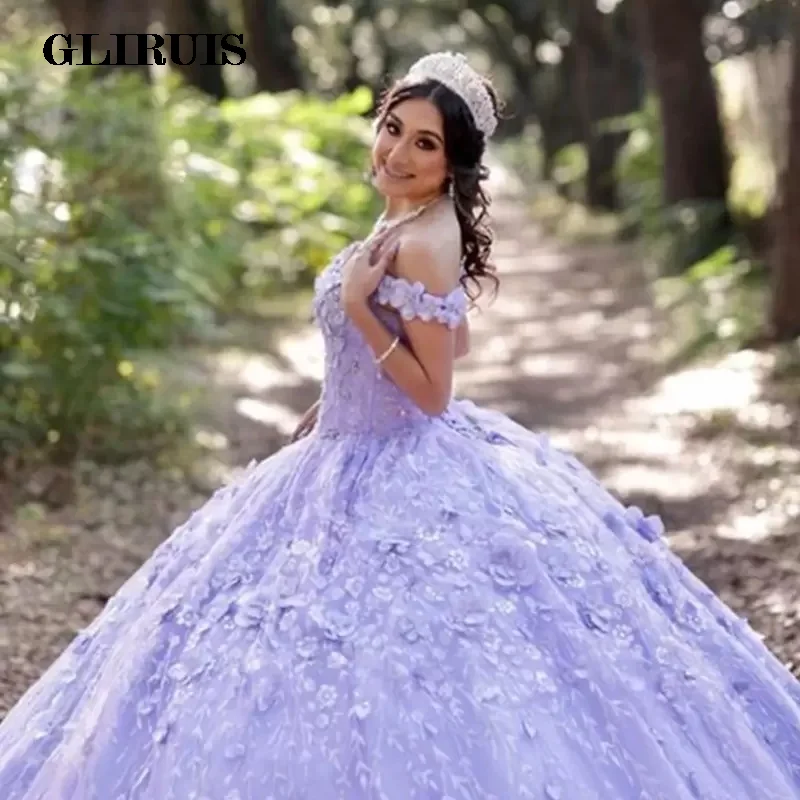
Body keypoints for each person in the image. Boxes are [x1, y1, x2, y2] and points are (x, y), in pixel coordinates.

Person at [1, 51, 799, 800]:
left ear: (452, 164)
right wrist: (341, 394)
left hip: (396, 458)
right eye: (393, 129)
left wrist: (356, 309)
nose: (399, 152)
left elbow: (432, 394)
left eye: (426, 144)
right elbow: (447, 335)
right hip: (346, 442)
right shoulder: (408, 225)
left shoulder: (423, 238)